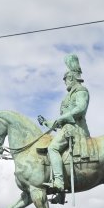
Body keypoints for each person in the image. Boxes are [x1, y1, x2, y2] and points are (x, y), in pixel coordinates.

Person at [38, 53, 90, 196]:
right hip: (67, 129)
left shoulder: (81, 91)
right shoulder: (68, 97)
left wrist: (63, 118)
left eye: (66, 79)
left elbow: (80, 109)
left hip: (75, 129)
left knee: (53, 148)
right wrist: (47, 123)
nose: (65, 82)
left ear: (72, 78)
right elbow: (61, 121)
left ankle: (59, 182)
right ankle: (60, 193)